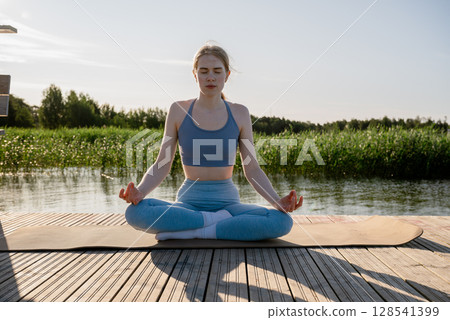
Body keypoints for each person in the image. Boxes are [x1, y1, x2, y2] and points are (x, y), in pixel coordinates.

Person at [119, 43, 303, 241]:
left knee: (281, 221)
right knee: (135, 213)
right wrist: (140, 192)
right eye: (204, 71)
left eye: (217, 71)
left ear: (227, 75)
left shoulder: (240, 113)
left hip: (229, 205)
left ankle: (196, 230)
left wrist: (277, 201)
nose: (210, 77)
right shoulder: (178, 111)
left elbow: (252, 170)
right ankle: (216, 225)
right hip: (188, 204)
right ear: (194, 74)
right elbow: (162, 165)